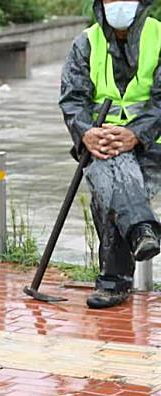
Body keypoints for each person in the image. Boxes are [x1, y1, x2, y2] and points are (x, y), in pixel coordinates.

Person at [60, 0, 161, 310]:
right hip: (100, 141)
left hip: (151, 144)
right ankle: (141, 229)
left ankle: (113, 282)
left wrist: (135, 134)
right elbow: (73, 98)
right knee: (109, 171)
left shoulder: (159, 37)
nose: (119, 4)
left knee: (110, 192)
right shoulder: (86, 42)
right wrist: (87, 133)